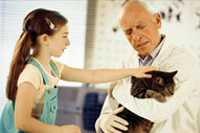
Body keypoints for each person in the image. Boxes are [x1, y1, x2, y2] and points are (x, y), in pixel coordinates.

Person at [0, 8, 155, 133]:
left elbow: (92, 76)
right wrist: (60, 131)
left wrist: (132, 71)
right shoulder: (31, 74)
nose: (68, 43)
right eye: (64, 36)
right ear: (45, 39)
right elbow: (22, 122)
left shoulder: (54, 68)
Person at [95, 0, 200, 133]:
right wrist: (103, 122)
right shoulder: (126, 63)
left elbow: (157, 111)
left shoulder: (185, 60)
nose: (136, 37)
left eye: (140, 26)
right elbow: (108, 110)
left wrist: (117, 90)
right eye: (128, 32)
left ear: (157, 21)